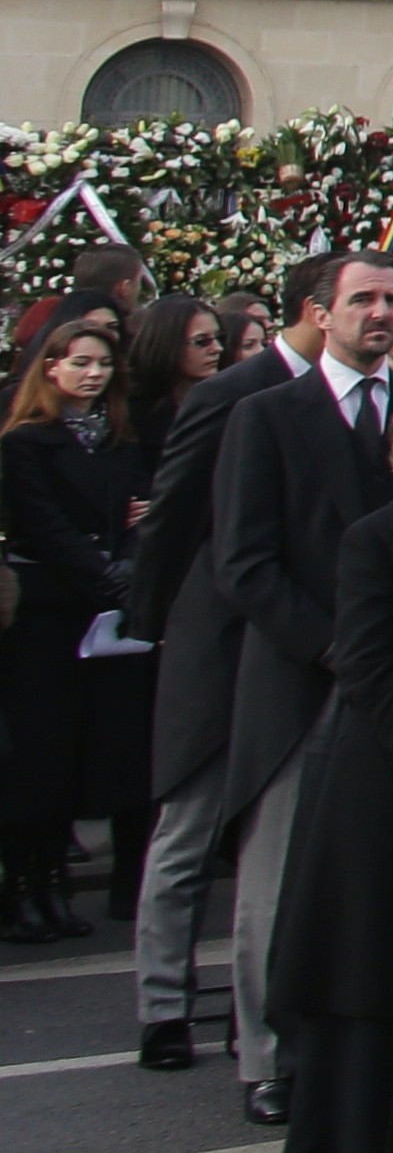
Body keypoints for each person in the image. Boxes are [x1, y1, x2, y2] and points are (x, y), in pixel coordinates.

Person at [197, 253, 393, 1127]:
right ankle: (268, 1053)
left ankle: (369, 1051)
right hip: (303, 676)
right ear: (321, 314)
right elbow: (244, 564)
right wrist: (333, 647)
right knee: (278, 873)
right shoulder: (267, 416)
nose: (381, 315)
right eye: (362, 301)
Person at [131, 256, 353, 1078]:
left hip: (305, 643)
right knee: (191, 823)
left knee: (277, 840)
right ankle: (162, 1003)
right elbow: (175, 518)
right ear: (317, 310)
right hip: (222, 639)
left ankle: (267, 1024)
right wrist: (157, 627)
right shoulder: (234, 395)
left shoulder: (367, 397)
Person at [265, 371, 393, 1153]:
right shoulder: (373, 537)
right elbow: (365, 664)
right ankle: (355, 1131)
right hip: (378, 768)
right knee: (362, 958)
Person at [1, 309, 152, 943]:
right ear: (52, 367)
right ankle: (27, 885)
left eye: (102, 363)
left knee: (80, 753)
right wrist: (104, 570)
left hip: (102, 612)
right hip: (47, 610)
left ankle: (56, 891)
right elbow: (41, 523)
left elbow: (138, 508)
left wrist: (129, 557)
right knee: (37, 755)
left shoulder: (119, 438)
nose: (93, 374)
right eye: (80, 362)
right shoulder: (25, 441)